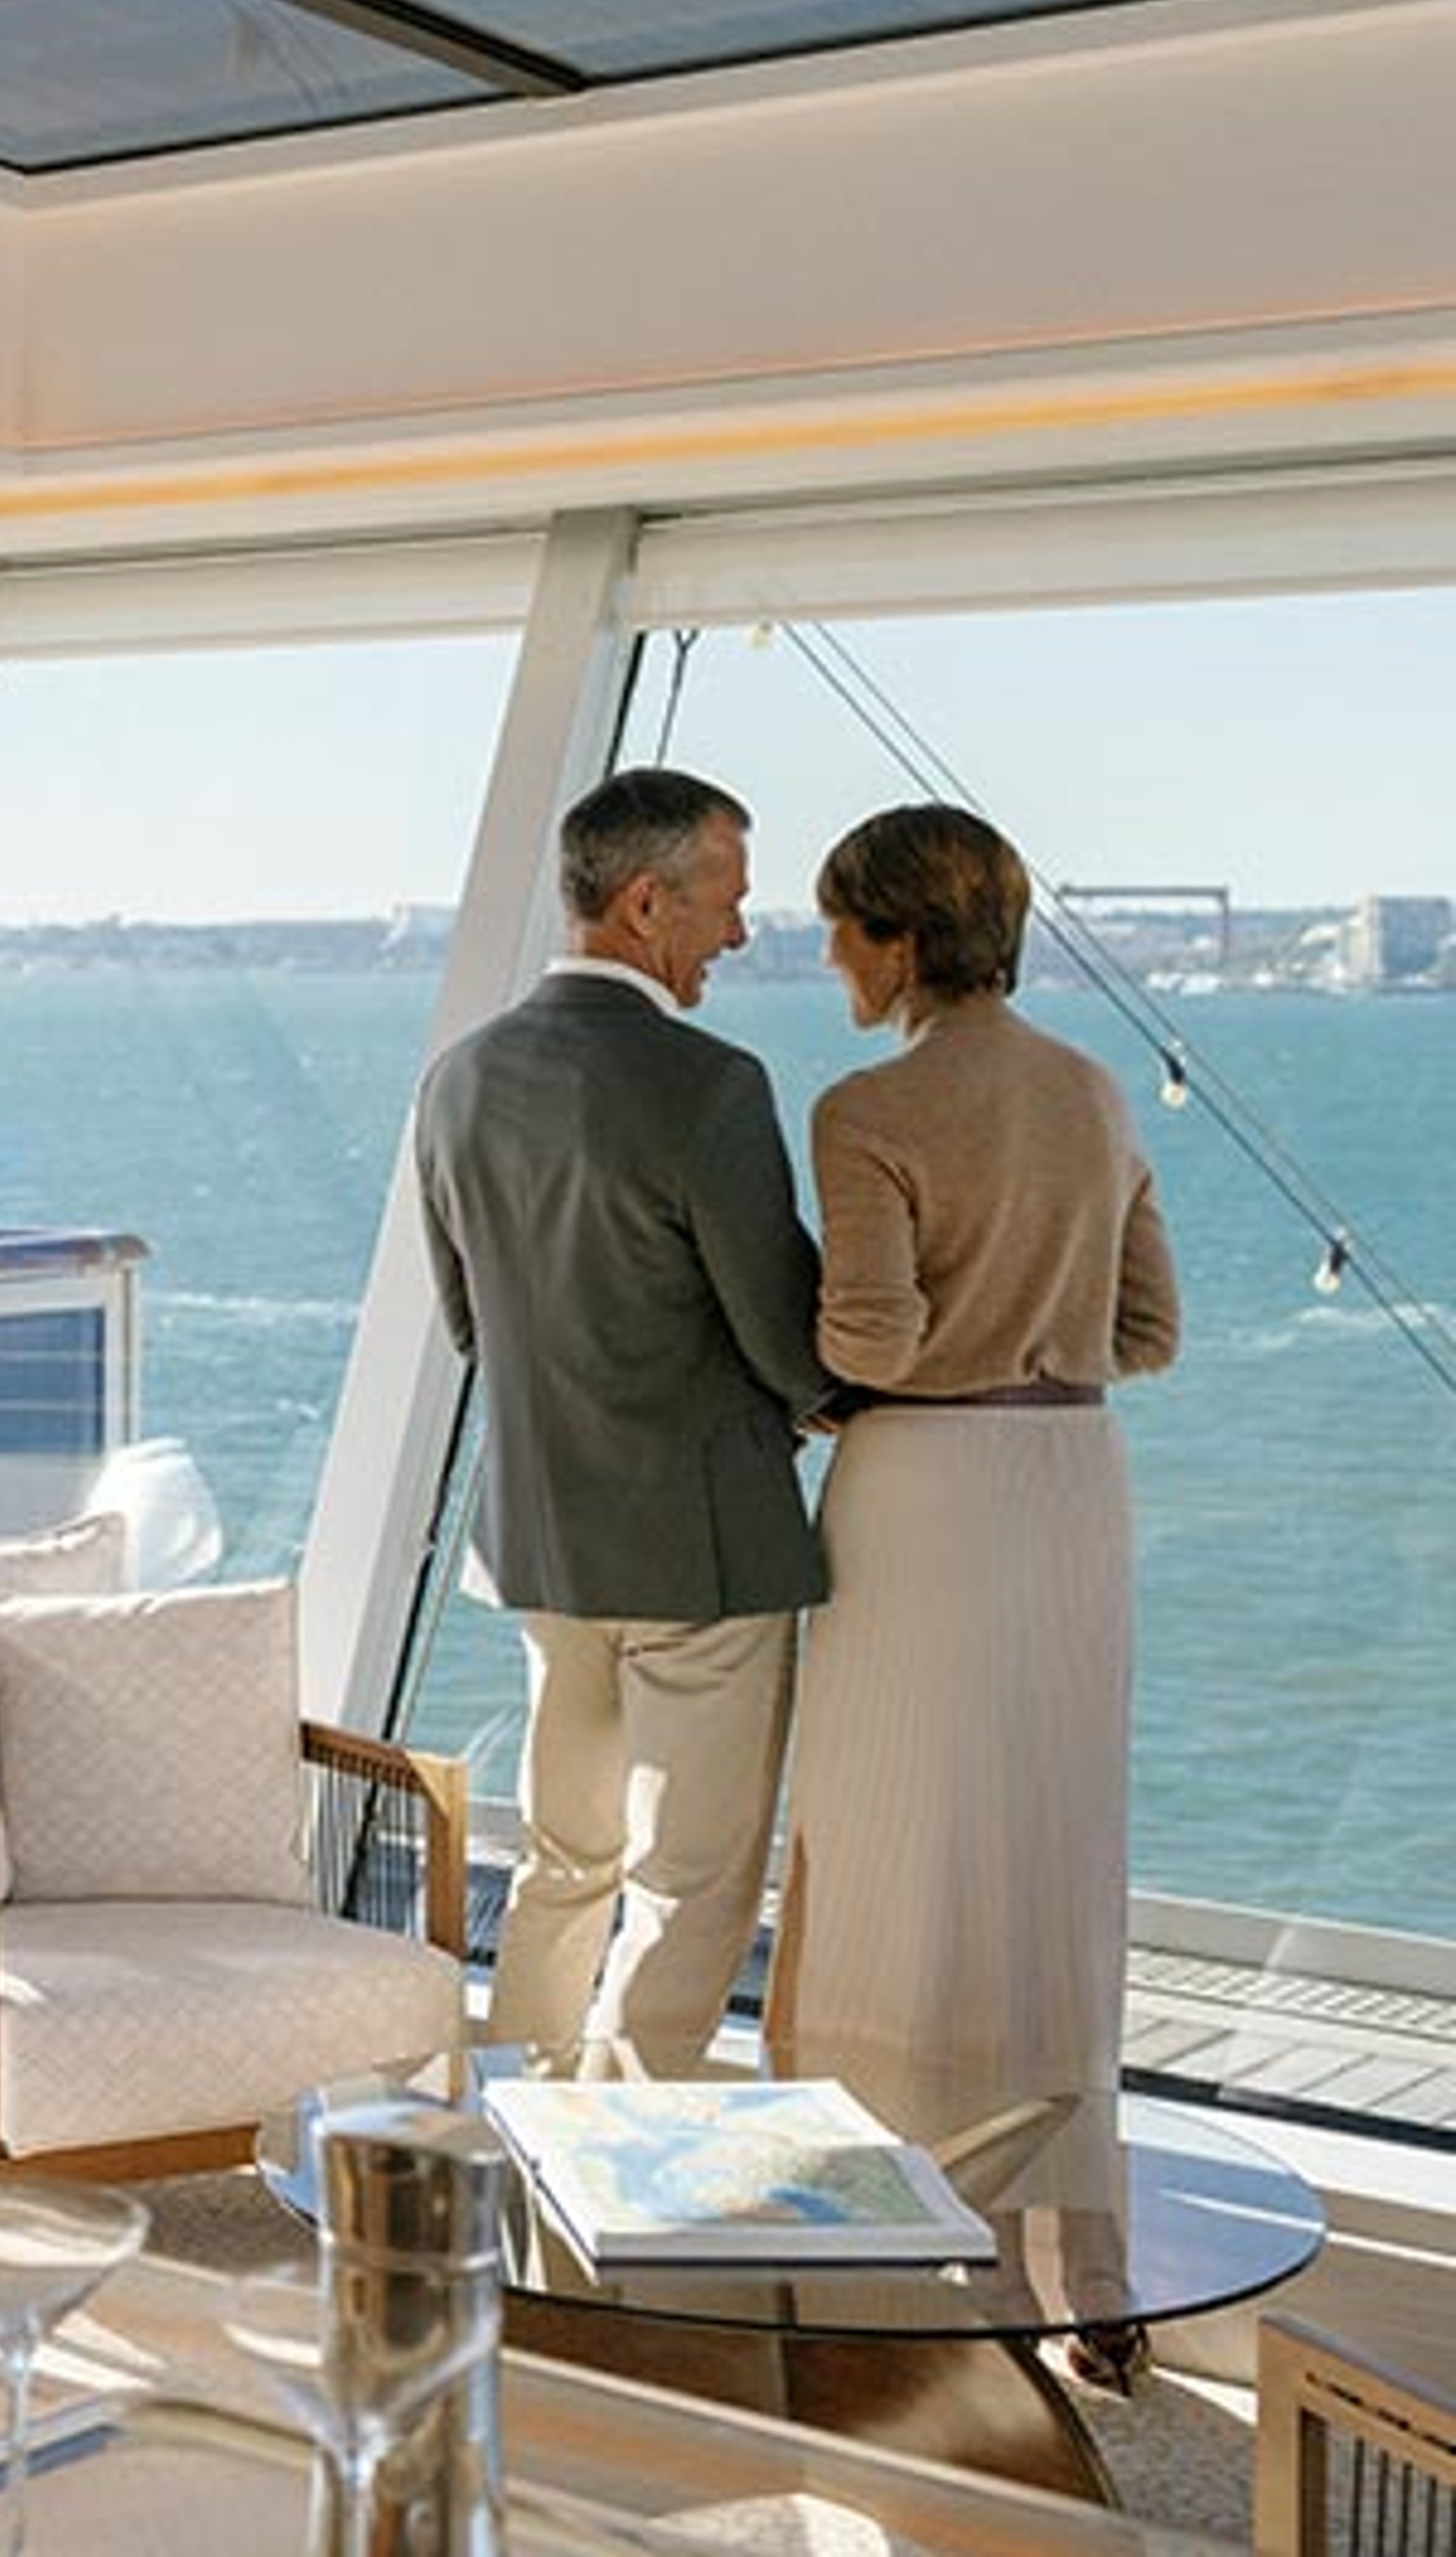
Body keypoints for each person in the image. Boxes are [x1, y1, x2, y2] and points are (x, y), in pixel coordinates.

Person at [765, 803, 1180, 2139]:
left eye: (841, 923)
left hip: (925, 1493)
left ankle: (860, 2156)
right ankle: (1048, 2157)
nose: (828, 950)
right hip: (1072, 1483)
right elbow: (1148, 1334)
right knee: (1047, 1833)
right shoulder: (1093, 1092)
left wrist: (819, 1390)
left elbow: (870, 1336)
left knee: (888, 1818)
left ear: (900, 940)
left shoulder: (868, 1109)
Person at [415, 766, 829, 2080]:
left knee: (566, 1857)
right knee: (692, 1881)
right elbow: (787, 1335)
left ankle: (508, 2117)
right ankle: (618, 2160)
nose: (740, 935)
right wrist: (828, 1403)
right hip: (701, 1562)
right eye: (726, 902)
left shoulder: (457, 1081)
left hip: (545, 1550)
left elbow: (475, 1328)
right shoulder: (710, 1086)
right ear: (648, 903)